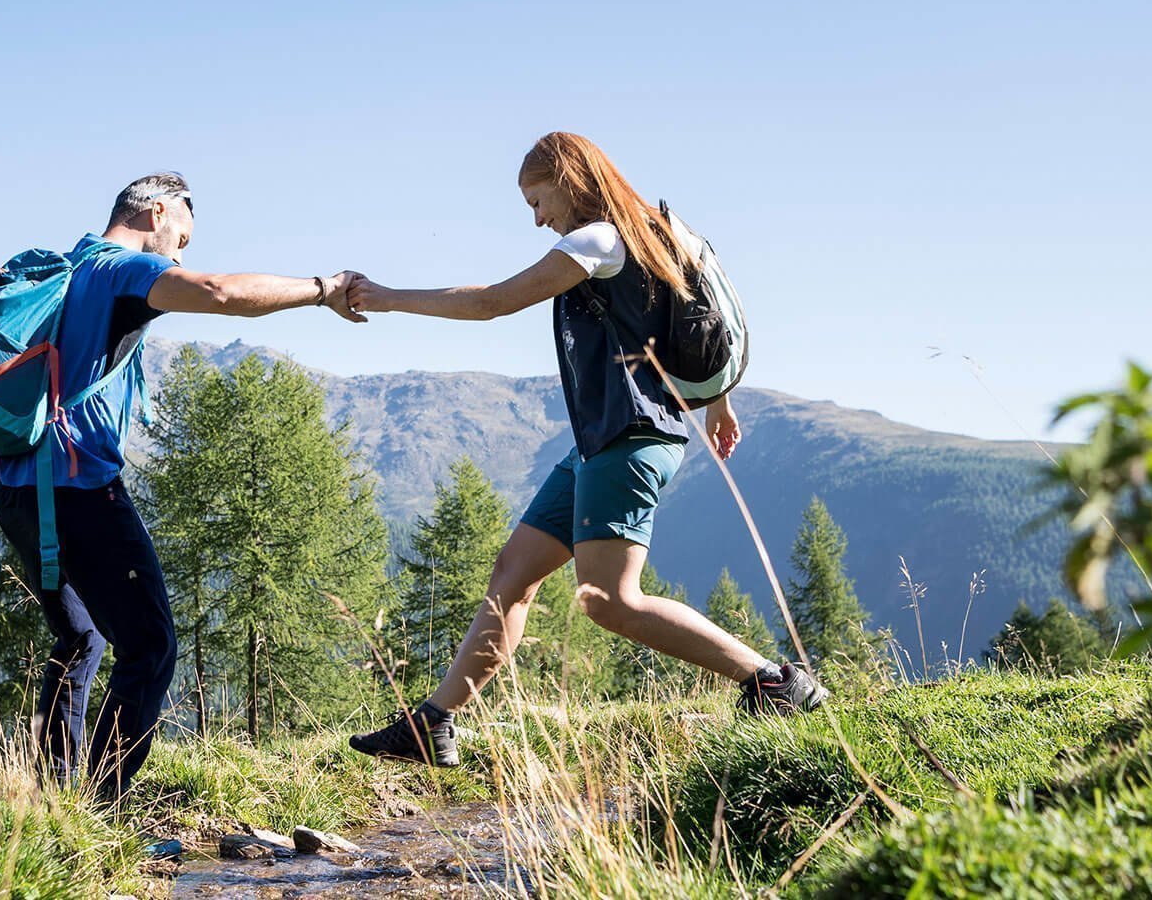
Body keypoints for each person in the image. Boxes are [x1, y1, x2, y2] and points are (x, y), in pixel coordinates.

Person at [345, 132, 827, 767]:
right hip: (601, 440)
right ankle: (433, 724)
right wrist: (718, 399)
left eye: (537, 200)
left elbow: (492, 303)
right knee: (513, 572)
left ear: (569, 180)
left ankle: (773, 682)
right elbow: (700, 325)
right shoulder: (650, 233)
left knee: (608, 601)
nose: (537, 218)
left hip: (629, 438)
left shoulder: (599, 239)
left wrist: (385, 298)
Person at [0, 171, 364, 799]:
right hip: (80, 490)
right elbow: (217, 292)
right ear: (156, 211)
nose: (181, 253)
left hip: (18, 492)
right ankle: (103, 813)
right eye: (181, 236)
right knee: (152, 648)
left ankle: (58, 808)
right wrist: (321, 290)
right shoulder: (116, 269)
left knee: (78, 637)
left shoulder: (62, 272)